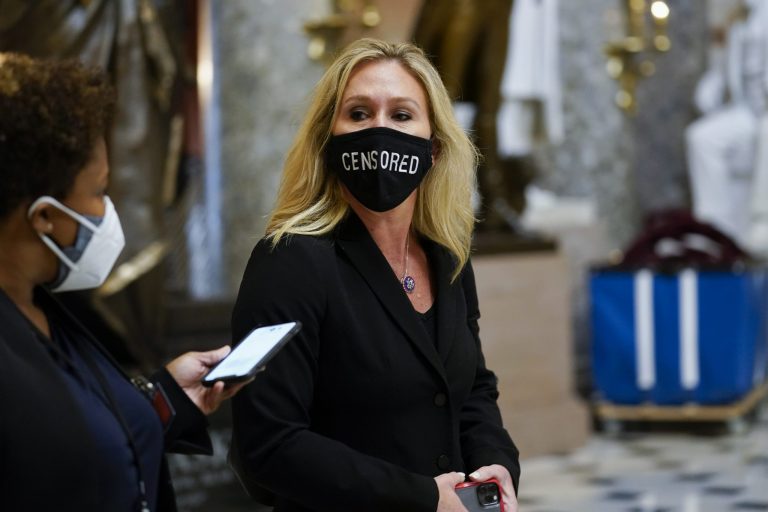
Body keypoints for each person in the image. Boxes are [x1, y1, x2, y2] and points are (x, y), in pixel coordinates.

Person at [230, 38, 521, 512]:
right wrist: (422, 498)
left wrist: (497, 464)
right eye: (359, 113)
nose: (380, 129)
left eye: (401, 115)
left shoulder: (447, 256)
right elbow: (270, 443)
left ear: (434, 148)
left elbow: (472, 389)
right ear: (328, 140)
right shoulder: (289, 261)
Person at [0, 53, 245, 511]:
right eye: (99, 191)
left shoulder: (48, 306)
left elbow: (82, 435)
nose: (107, 210)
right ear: (45, 217)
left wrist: (163, 397)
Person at [686, 0, 767, 249]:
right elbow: (726, 70)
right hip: (747, 110)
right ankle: (714, 228)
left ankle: (762, 221)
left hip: (764, 112)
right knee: (701, 137)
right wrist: (710, 95)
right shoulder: (740, 19)